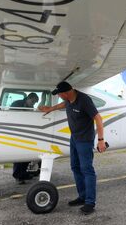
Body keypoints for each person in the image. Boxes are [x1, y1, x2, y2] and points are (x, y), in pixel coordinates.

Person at [39, 81, 106, 215]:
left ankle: (90, 202)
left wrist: (100, 140)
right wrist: (50, 108)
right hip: (74, 138)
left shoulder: (84, 100)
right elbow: (64, 104)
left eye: (60, 94)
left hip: (85, 140)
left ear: (66, 93)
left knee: (87, 170)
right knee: (75, 167)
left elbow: (98, 118)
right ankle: (82, 197)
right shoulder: (69, 99)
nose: (59, 97)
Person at [11, 93, 39, 184]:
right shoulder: (17, 104)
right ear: (28, 98)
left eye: (35, 103)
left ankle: (24, 174)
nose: (33, 104)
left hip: (26, 133)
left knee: (27, 155)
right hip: (17, 133)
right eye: (33, 101)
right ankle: (18, 177)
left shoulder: (30, 108)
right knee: (19, 156)